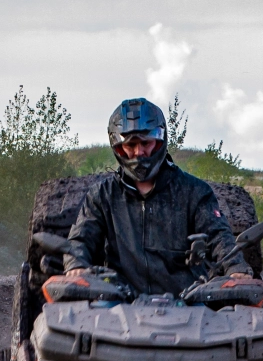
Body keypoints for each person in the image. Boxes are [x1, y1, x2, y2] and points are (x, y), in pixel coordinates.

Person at [64, 98, 250, 295]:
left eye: (145, 143)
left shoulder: (195, 192)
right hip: (118, 303)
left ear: (159, 140)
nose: (139, 152)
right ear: (118, 147)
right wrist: (76, 264)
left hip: (189, 304)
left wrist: (235, 268)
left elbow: (219, 236)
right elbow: (81, 238)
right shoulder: (102, 195)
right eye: (131, 144)